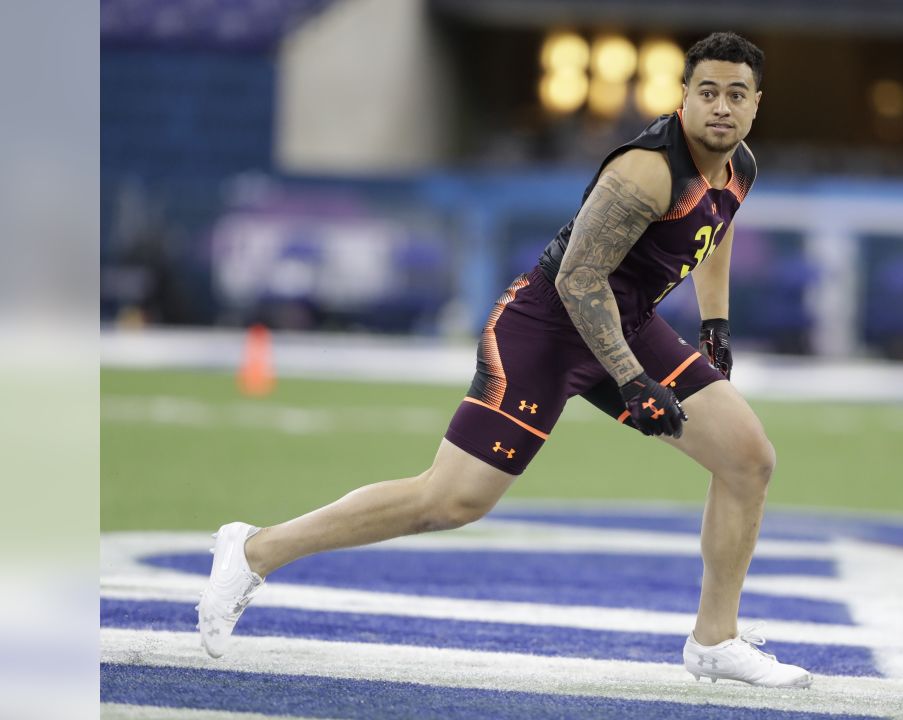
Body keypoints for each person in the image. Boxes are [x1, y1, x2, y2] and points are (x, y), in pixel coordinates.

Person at [198, 31, 811, 689]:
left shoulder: (737, 163)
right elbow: (578, 280)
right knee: (450, 500)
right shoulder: (646, 171)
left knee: (748, 459)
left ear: (755, 105)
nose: (721, 107)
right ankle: (256, 550)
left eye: (736, 95)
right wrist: (633, 379)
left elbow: (716, 227)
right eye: (708, 92)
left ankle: (714, 641)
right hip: (545, 328)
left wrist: (714, 324)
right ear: (683, 97)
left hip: (626, 322)